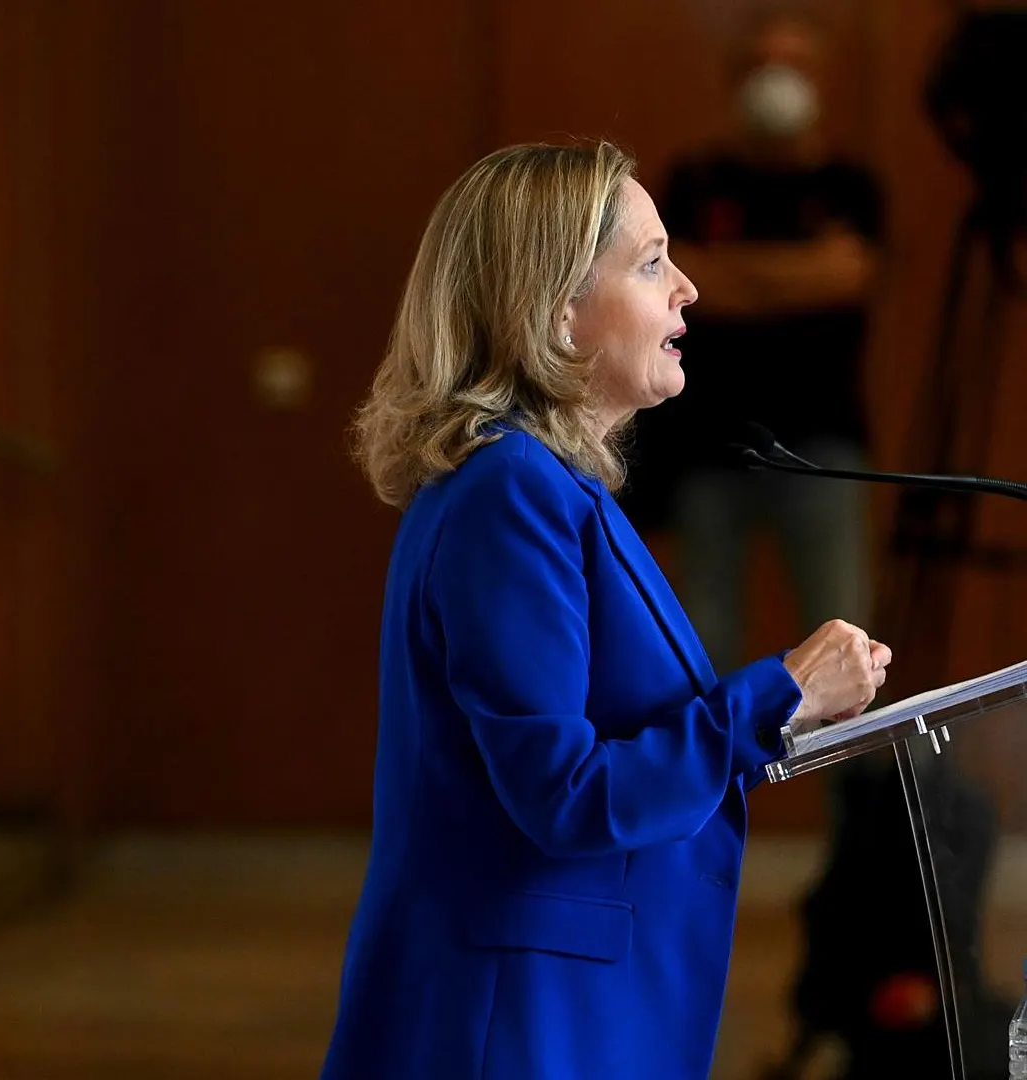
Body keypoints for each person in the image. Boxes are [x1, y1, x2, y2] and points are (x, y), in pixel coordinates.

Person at [318, 142, 891, 1079]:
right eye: (654, 261)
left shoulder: (544, 484)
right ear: (553, 307)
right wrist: (778, 696)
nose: (690, 289)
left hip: (561, 1000)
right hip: (518, 1021)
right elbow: (563, 792)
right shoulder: (511, 491)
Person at [628, 9, 882, 673]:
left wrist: (737, 272)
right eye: (763, 66)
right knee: (699, 648)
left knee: (847, 641)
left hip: (824, 449)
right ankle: (708, 779)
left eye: (793, 65)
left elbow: (848, 273)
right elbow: (690, 281)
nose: (778, 81)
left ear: (817, 77)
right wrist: (798, 272)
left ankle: (856, 783)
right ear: (737, 80)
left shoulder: (850, 186)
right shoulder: (694, 182)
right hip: (710, 448)